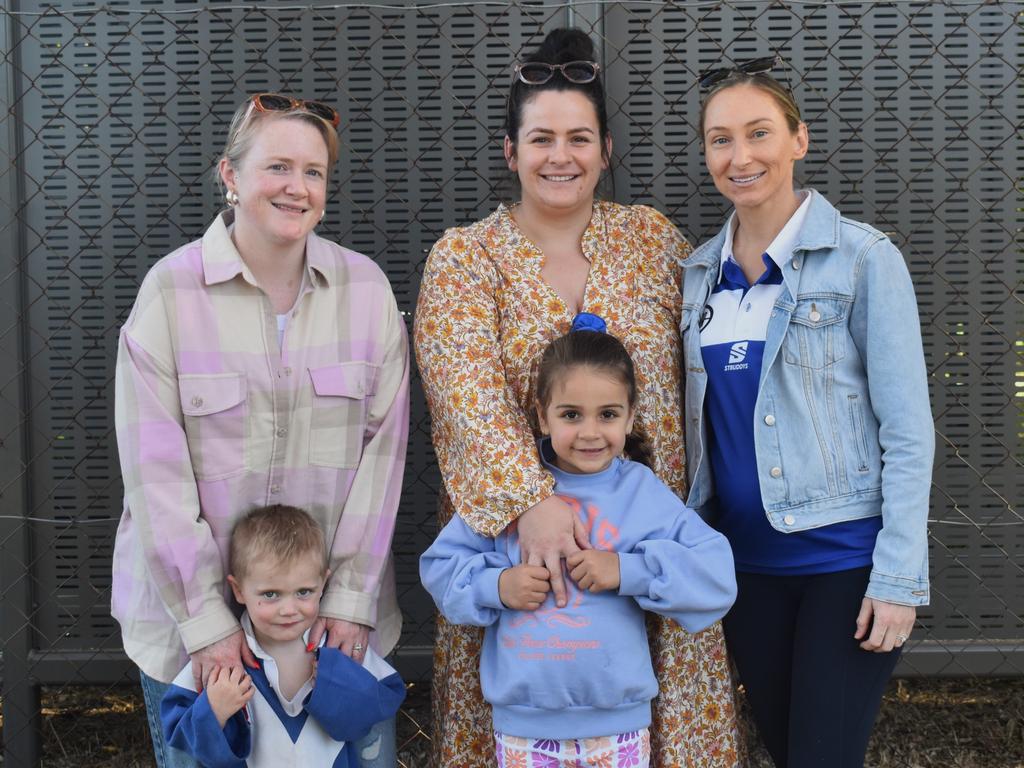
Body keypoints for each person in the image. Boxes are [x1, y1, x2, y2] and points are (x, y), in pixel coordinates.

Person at [414, 27, 742, 767]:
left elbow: (705, 364)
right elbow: (463, 396)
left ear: (606, 149)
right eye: (541, 139)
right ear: (511, 151)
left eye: (579, 137)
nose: (560, 156)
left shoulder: (652, 240)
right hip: (517, 559)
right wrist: (536, 504)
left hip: (644, 537)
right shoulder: (467, 258)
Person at [112, 92, 410, 768]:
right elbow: (154, 475)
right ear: (230, 175)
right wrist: (207, 624)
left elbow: (383, 460)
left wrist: (351, 599)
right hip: (190, 631)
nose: (296, 187)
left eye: (314, 173)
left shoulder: (365, 294)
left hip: (330, 632)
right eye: (278, 166)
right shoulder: (170, 296)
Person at [681, 58, 934, 767]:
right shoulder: (699, 274)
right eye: (720, 139)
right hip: (746, 570)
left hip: (843, 567)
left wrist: (897, 578)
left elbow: (908, 429)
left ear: (799, 139)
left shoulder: (861, 260)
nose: (740, 156)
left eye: (759, 133)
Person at [420, 321, 737, 768]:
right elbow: (440, 568)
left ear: (630, 415)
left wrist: (628, 571)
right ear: (542, 413)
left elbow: (717, 576)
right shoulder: (510, 492)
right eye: (571, 414)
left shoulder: (639, 493)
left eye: (607, 414)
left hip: (618, 724)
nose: (590, 432)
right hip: (524, 726)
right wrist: (497, 587)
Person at [161, 505, 406, 766]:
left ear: (323, 584)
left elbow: (382, 700)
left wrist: (334, 681)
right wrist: (214, 711)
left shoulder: (336, 646)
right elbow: (180, 734)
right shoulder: (223, 661)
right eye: (270, 594)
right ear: (239, 590)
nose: (289, 610)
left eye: (304, 592)